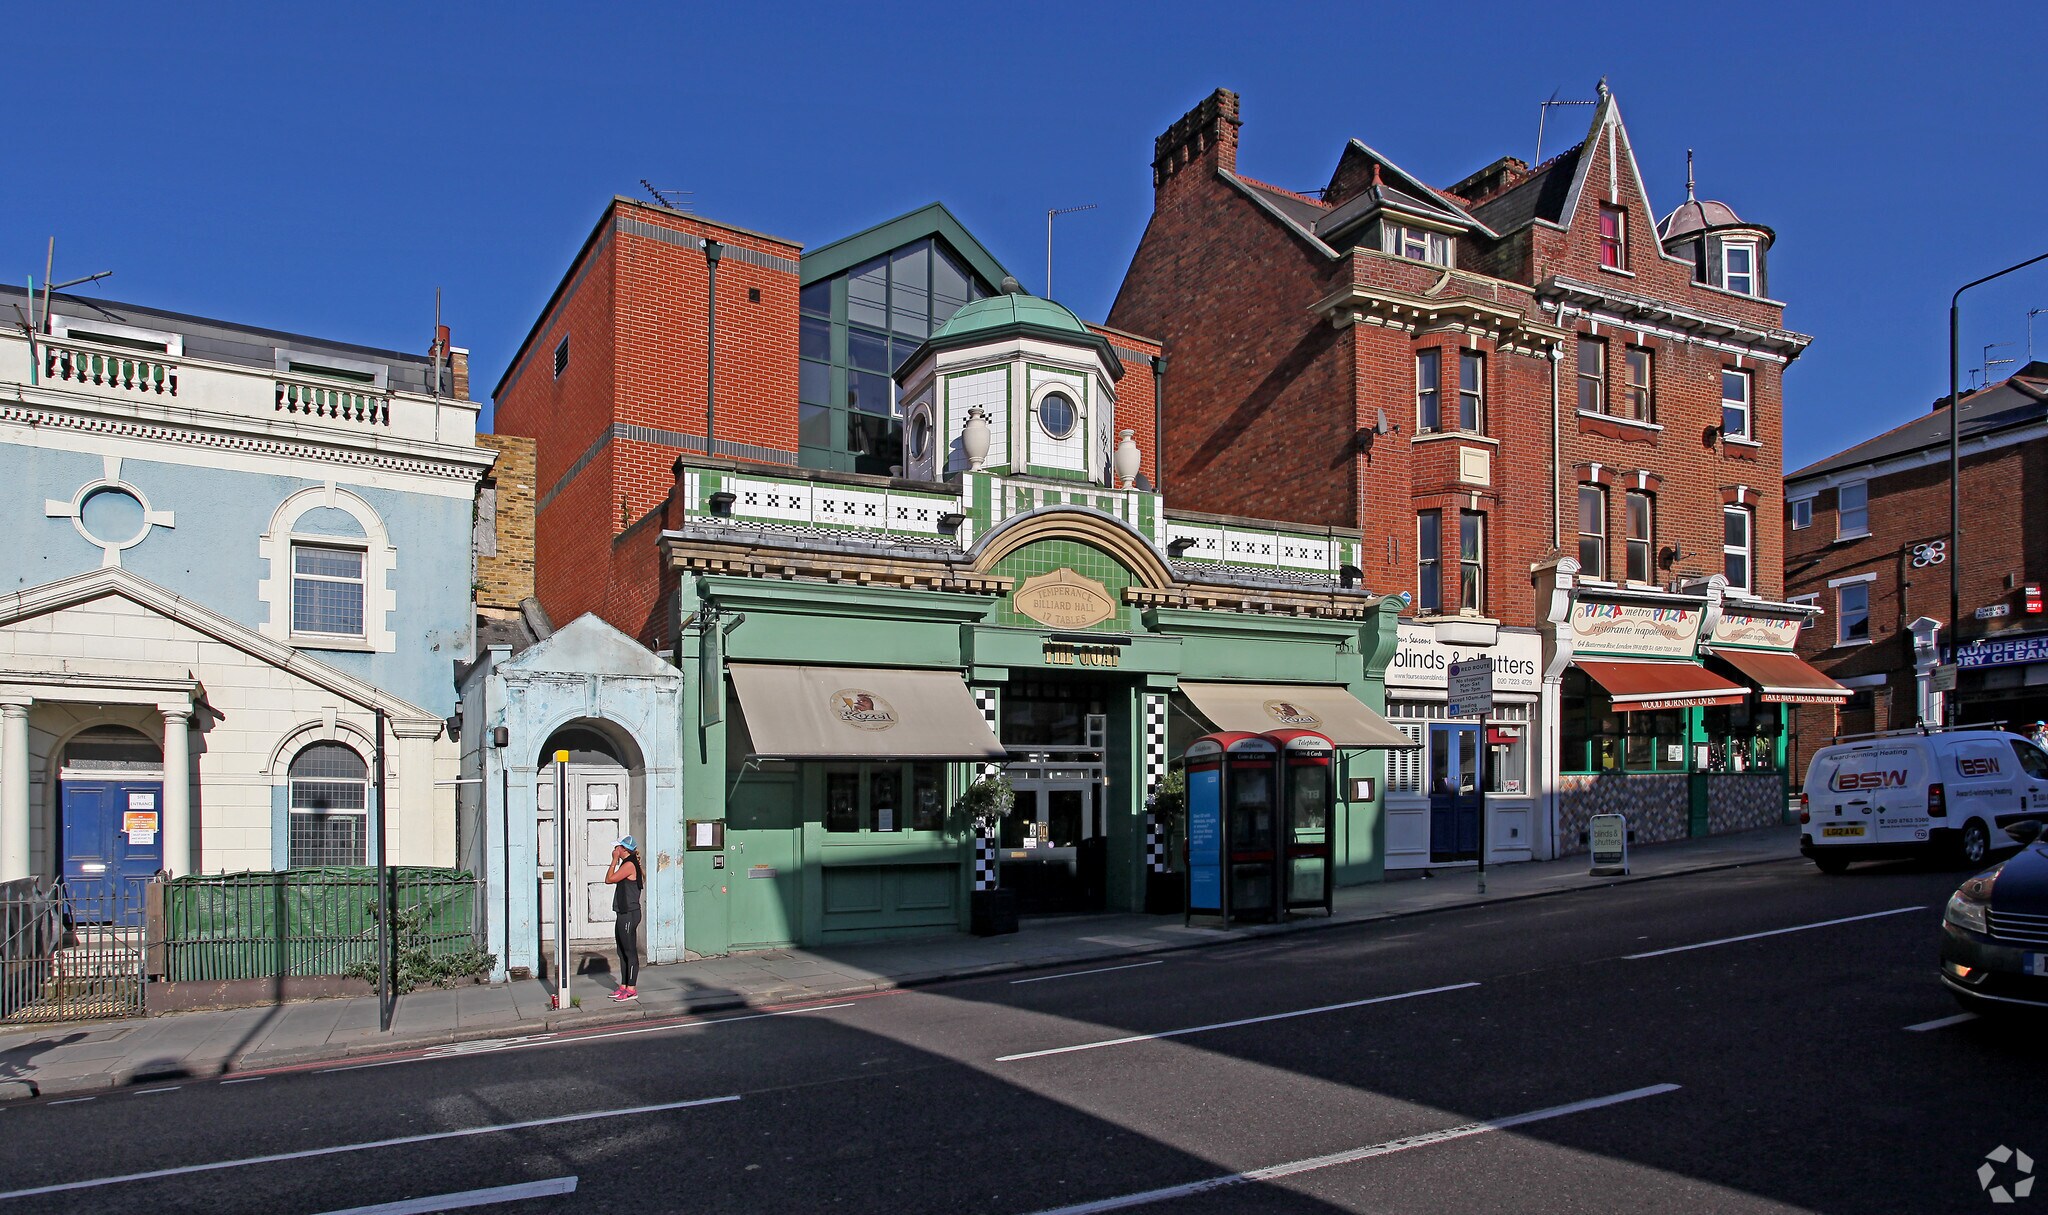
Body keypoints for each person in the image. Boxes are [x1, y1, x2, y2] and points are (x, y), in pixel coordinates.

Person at [605, 835, 643, 1001]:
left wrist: (613, 861)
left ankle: (632, 989)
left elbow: (609, 879)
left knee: (630, 951)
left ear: (624, 849)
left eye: (617, 848)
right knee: (621, 951)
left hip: (629, 913)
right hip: (623, 913)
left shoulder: (629, 865)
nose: (615, 850)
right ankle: (623, 986)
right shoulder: (628, 863)